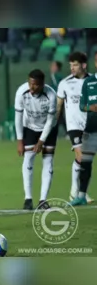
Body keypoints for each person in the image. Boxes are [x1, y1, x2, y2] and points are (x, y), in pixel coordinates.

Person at [14, 69, 58, 210]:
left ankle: (43, 200)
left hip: (48, 129)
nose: (32, 87)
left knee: (48, 161)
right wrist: (20, 140)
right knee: (28, 159)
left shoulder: (51, 95)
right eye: (30, 83)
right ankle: (28, 199)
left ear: (42, 84)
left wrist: (41, 141)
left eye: (36, 85)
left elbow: (50, 121)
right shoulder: (21, 92)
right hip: (30, 128)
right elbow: (18, 117)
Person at [56, 52, 94, 204]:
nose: (72, 68)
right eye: (70, 65)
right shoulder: (64, 83)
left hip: (91, 124)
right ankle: (76, 192)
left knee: (86, 161)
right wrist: (53, 123)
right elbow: (59, 106)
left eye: (75, 65)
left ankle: (80, 191)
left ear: (83, 65)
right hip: (74, 126)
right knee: (81, 156)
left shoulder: (93, 81)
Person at [70, 53, 97, 206]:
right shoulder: (89, 82)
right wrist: (90, 107)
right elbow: (82, 105)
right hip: (91, 129)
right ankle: (81, 196)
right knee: (85, 164)